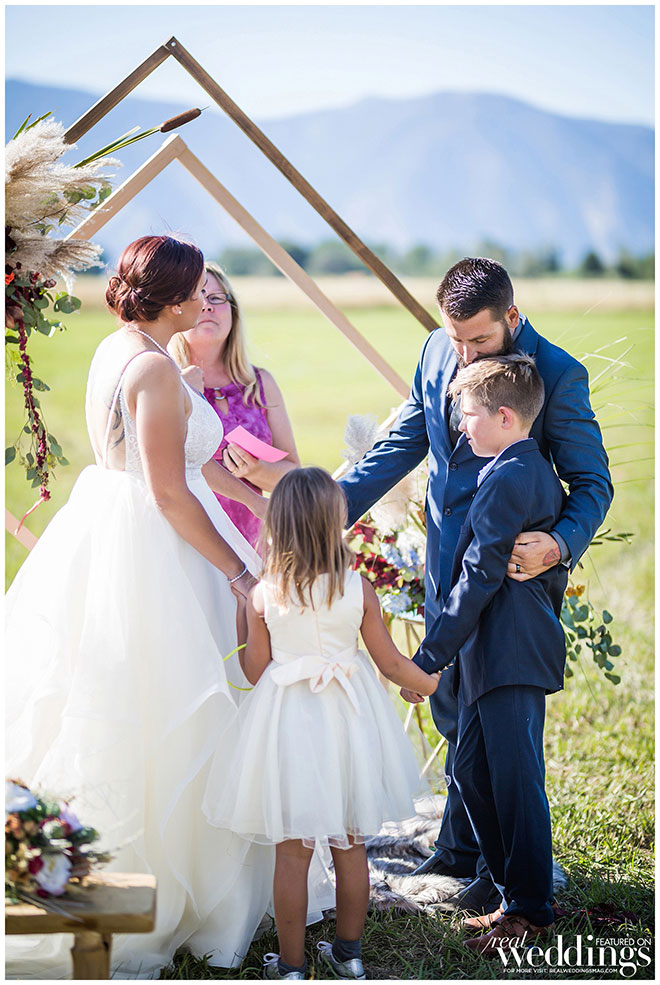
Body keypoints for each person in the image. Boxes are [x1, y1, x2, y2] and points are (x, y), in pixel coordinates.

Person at [5, 236, 279, 979]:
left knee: (130, 700)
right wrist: (236, 572)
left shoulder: (122, 347)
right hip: (154, 549)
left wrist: (258, 497)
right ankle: (152, 892)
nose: (206, 301)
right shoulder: (156, 368)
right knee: (165, 707)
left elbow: (189, 465)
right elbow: (166, 489)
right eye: (197, 291)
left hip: (112, 525)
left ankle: (92, 880)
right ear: (173, 296)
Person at [338, 257, 613, 914]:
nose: (462, 355)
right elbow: (404, 441)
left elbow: (593, 483)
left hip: (512, 586)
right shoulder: (438, 350)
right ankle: (463, 851)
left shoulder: (558, 374)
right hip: (446, 574)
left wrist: (559, 542)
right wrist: (324, 513)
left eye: (479, 342)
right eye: (454, 339)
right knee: (457, 723)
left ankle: (515, 881)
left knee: (505, 741)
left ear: (511, 318)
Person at [203, 467, 439, 980]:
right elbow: (391, 664)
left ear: (278, 528)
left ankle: (290, 966)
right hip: (347, 721)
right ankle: (349, 956)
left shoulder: (265, 595)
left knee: (292, 852)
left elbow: (254, 670)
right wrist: (432, 684)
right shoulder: (358, 589)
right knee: (350, 844)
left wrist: (247, 615)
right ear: (335, 525)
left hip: (287, 724)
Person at [406, 354, 567, 954]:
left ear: (504, 416)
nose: (460, 427)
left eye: (468, 415)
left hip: (512, 648)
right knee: (473, 769)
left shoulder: (511, 476)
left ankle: (529, 906)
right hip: (488, 653)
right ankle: (508, 890)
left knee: (515, 777)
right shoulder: (507, 466)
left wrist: (429, 657)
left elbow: (480, 574)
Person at [169, 262, 299, 549]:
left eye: (217, 298)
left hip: (253, 542)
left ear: (233, 312)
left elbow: (293, 474)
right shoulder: (166, 380)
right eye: (198, 297)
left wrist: (252, 469)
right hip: (187, 543)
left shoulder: (260, 384)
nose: (207, 306)